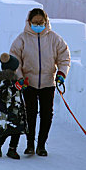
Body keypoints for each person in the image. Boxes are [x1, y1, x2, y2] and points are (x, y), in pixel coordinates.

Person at [10, 8, 71, 156]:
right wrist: (20, 77)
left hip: (48, 83)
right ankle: (30, 144)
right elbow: (14, 60)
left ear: (46, 22)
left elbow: (64, 58)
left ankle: (41, 145)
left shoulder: (54, 39)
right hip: (28, 83)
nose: (38, 25)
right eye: (35, 22)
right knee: (30, 114)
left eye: (41, 22)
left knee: (47, 114)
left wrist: (61, 74)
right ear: (29, 22)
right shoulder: (22, 39)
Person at [0, 53, 29, 159]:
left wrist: (20, 87)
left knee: (14, 130)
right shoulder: (4, 82)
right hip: (7, 111)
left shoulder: (11, 80)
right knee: (7, 130)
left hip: (13, 110)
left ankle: (10, 149)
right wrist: (16, 87)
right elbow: (5, 95)